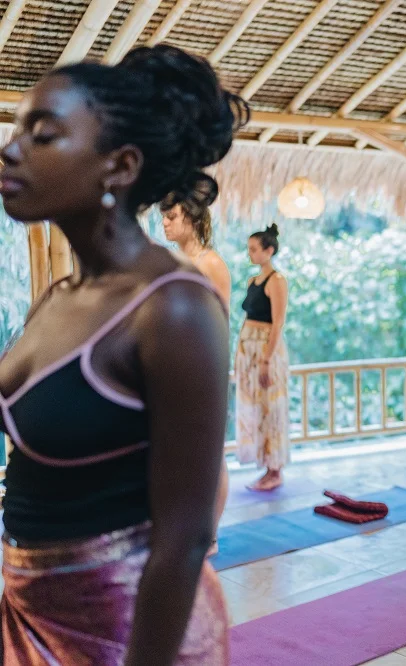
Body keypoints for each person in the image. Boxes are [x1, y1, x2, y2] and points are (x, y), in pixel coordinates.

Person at [0, 44, 248, 664]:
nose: (10, 148)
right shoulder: (58, 298)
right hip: (29, 610)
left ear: (120, 165)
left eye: (42, 134)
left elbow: (185, 537)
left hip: (125, 629)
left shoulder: (174, 307)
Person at [160, 182, 231, 557]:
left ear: (191, 217)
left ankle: (210, 534)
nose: (165, 225)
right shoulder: (174, 260)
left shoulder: (210, 263)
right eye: (163, 218)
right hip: (172, 366)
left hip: (202, 367)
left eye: (171, 217)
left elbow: (219, 323)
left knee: (210, 455)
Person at [235, 223, 290, 491]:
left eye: (255, 249)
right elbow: (247, 318)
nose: (251, 254)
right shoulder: (252, 281)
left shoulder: (277, 281)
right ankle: (264, 464)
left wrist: (267, 359)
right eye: (249, 249)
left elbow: (278, 322)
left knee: (271, 406)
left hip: (266, 349)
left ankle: (275, 468)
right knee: (254, 407)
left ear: (269, 251)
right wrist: (239, 354)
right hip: (249, 348)